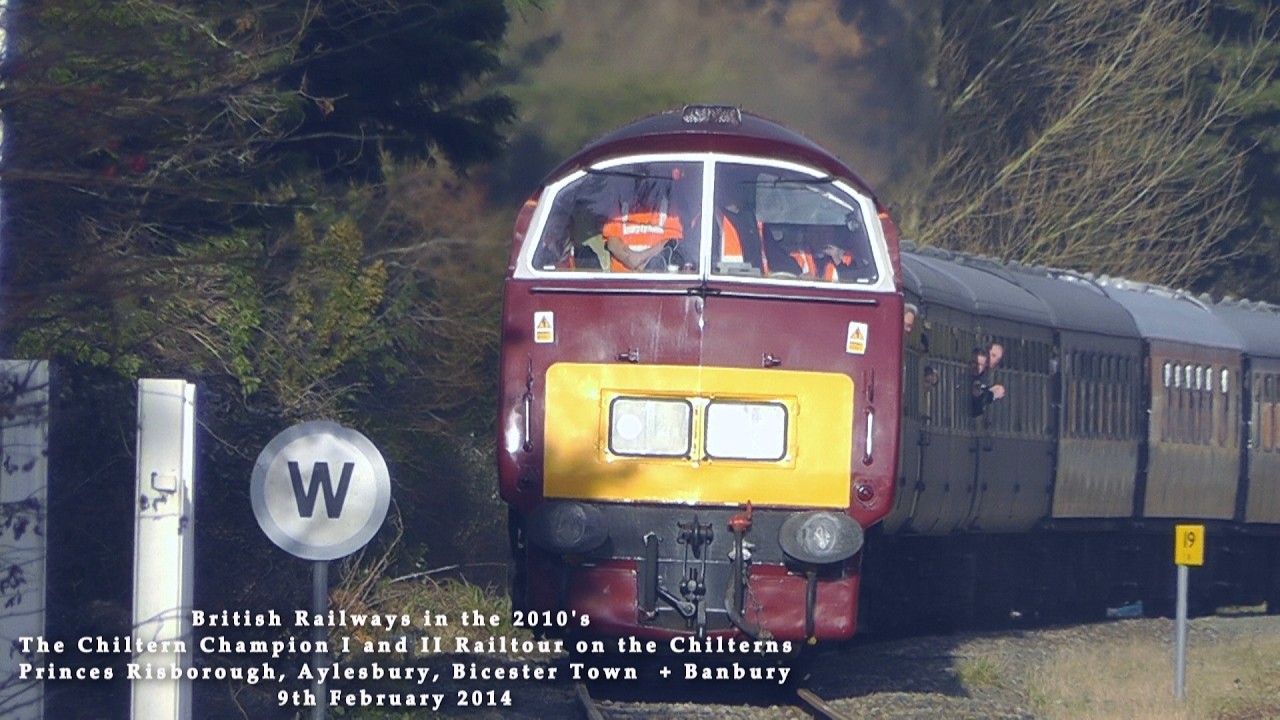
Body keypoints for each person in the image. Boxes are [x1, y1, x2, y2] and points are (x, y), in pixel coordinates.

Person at [602, 172, 687, 272]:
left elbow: (671, 242)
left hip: (653, 280)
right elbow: (612, 243)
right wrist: (631, 261)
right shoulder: (622, 204)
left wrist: (641, 259)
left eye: (650, 184)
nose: (644, 186)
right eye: (638, 182)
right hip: (621, 282)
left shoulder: (668, 207)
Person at [970, 346, 1006, 417]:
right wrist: (992, 394)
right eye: (974, 363)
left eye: (981, 365)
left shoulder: (992, 376)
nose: (977, 367)